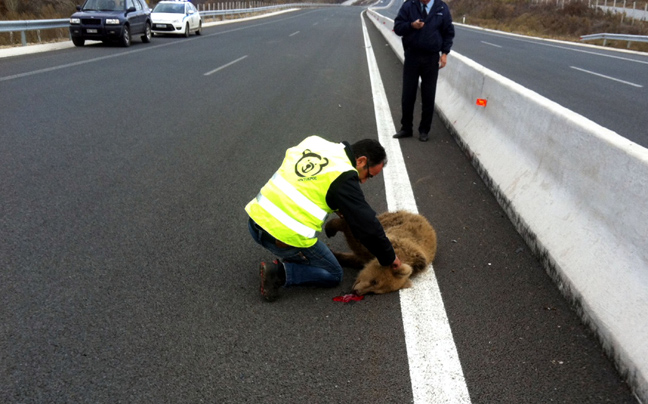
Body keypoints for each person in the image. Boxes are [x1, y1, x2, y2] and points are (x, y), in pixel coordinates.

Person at [245, 136, 402, 302]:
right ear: (361, 161)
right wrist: (389, 257)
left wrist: (338, 203)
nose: (362, 181)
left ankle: (294, 257)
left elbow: (308, 182)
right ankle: (279, 272)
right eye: (368, 176)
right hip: (282, 237)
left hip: (255, 221)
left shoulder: (315, 142)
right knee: (333, 274)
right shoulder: (344, 176)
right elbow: (367, 225)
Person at [392, 0, 455, 142]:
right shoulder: (409, 5)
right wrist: (411, 25)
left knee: (428, 95)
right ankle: (406, 128)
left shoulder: (441, 7)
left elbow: (448, 32)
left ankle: (424, 130)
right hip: (412, 55)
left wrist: (444, 53)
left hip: (431, 58)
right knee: (408, 94)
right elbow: (398, 27)